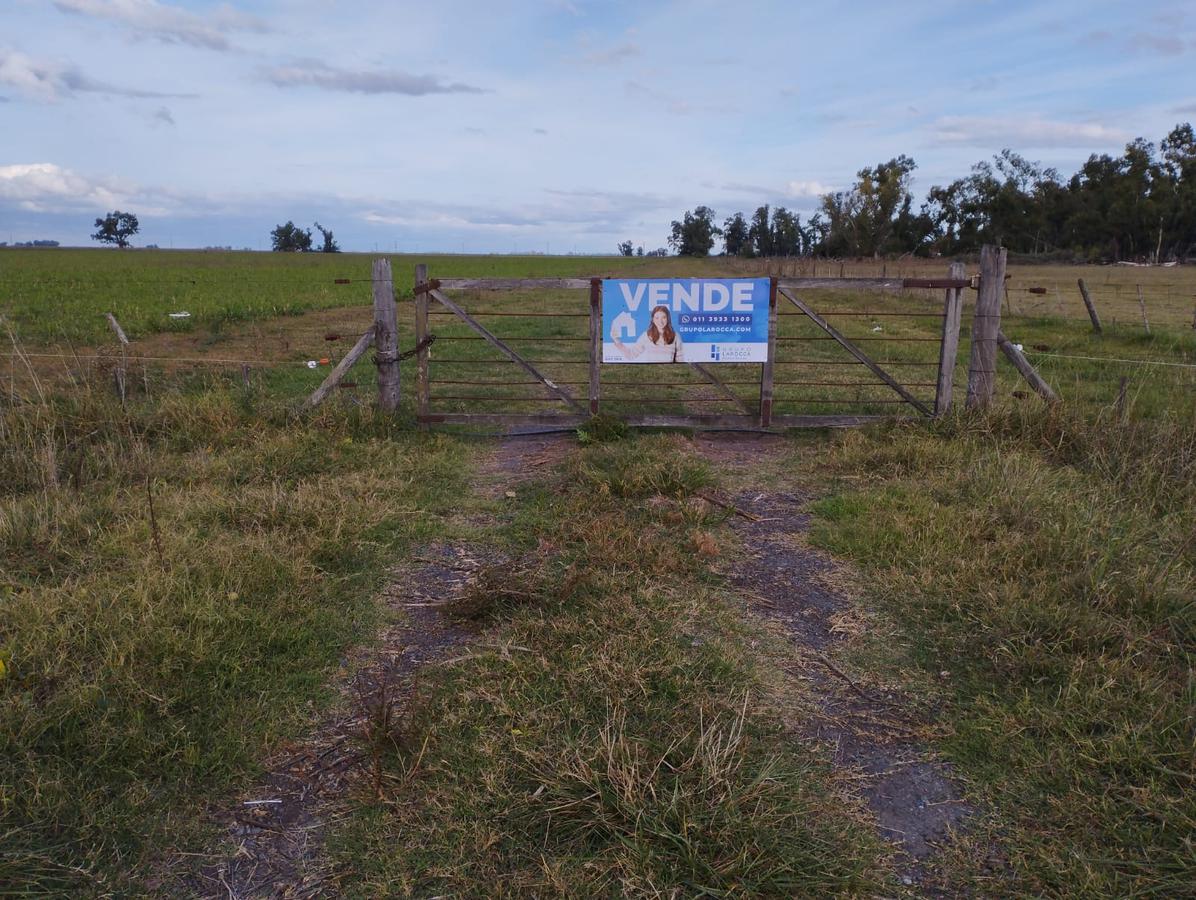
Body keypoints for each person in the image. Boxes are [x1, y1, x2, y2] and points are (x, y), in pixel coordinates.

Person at [614, 304, 684, 362]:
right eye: (657, 318)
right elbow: (631, 354)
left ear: (668, 318)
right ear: (653, 319)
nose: (660, 321)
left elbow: (680, 360)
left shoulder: (675, 336)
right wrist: (616, 340)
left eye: (664, 317)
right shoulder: (646, 335)